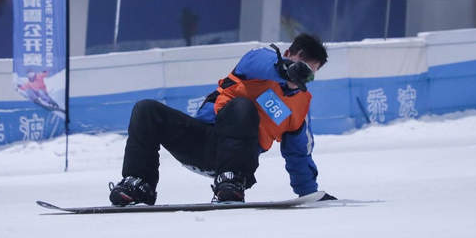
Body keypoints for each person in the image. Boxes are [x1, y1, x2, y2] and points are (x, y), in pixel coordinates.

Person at [109, 33, 336, 206]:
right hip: (203, 141)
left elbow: (299, 154)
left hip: (240, 157)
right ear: (287, 54)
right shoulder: (258, 63)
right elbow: (260, 61)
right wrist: (284, 69)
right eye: (301, 67)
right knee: (146, 110)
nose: (302, 77)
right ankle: (139, 184)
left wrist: (309, 193)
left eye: (309, 74)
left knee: (244, 107)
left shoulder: (300, 108)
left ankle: (232, 180)